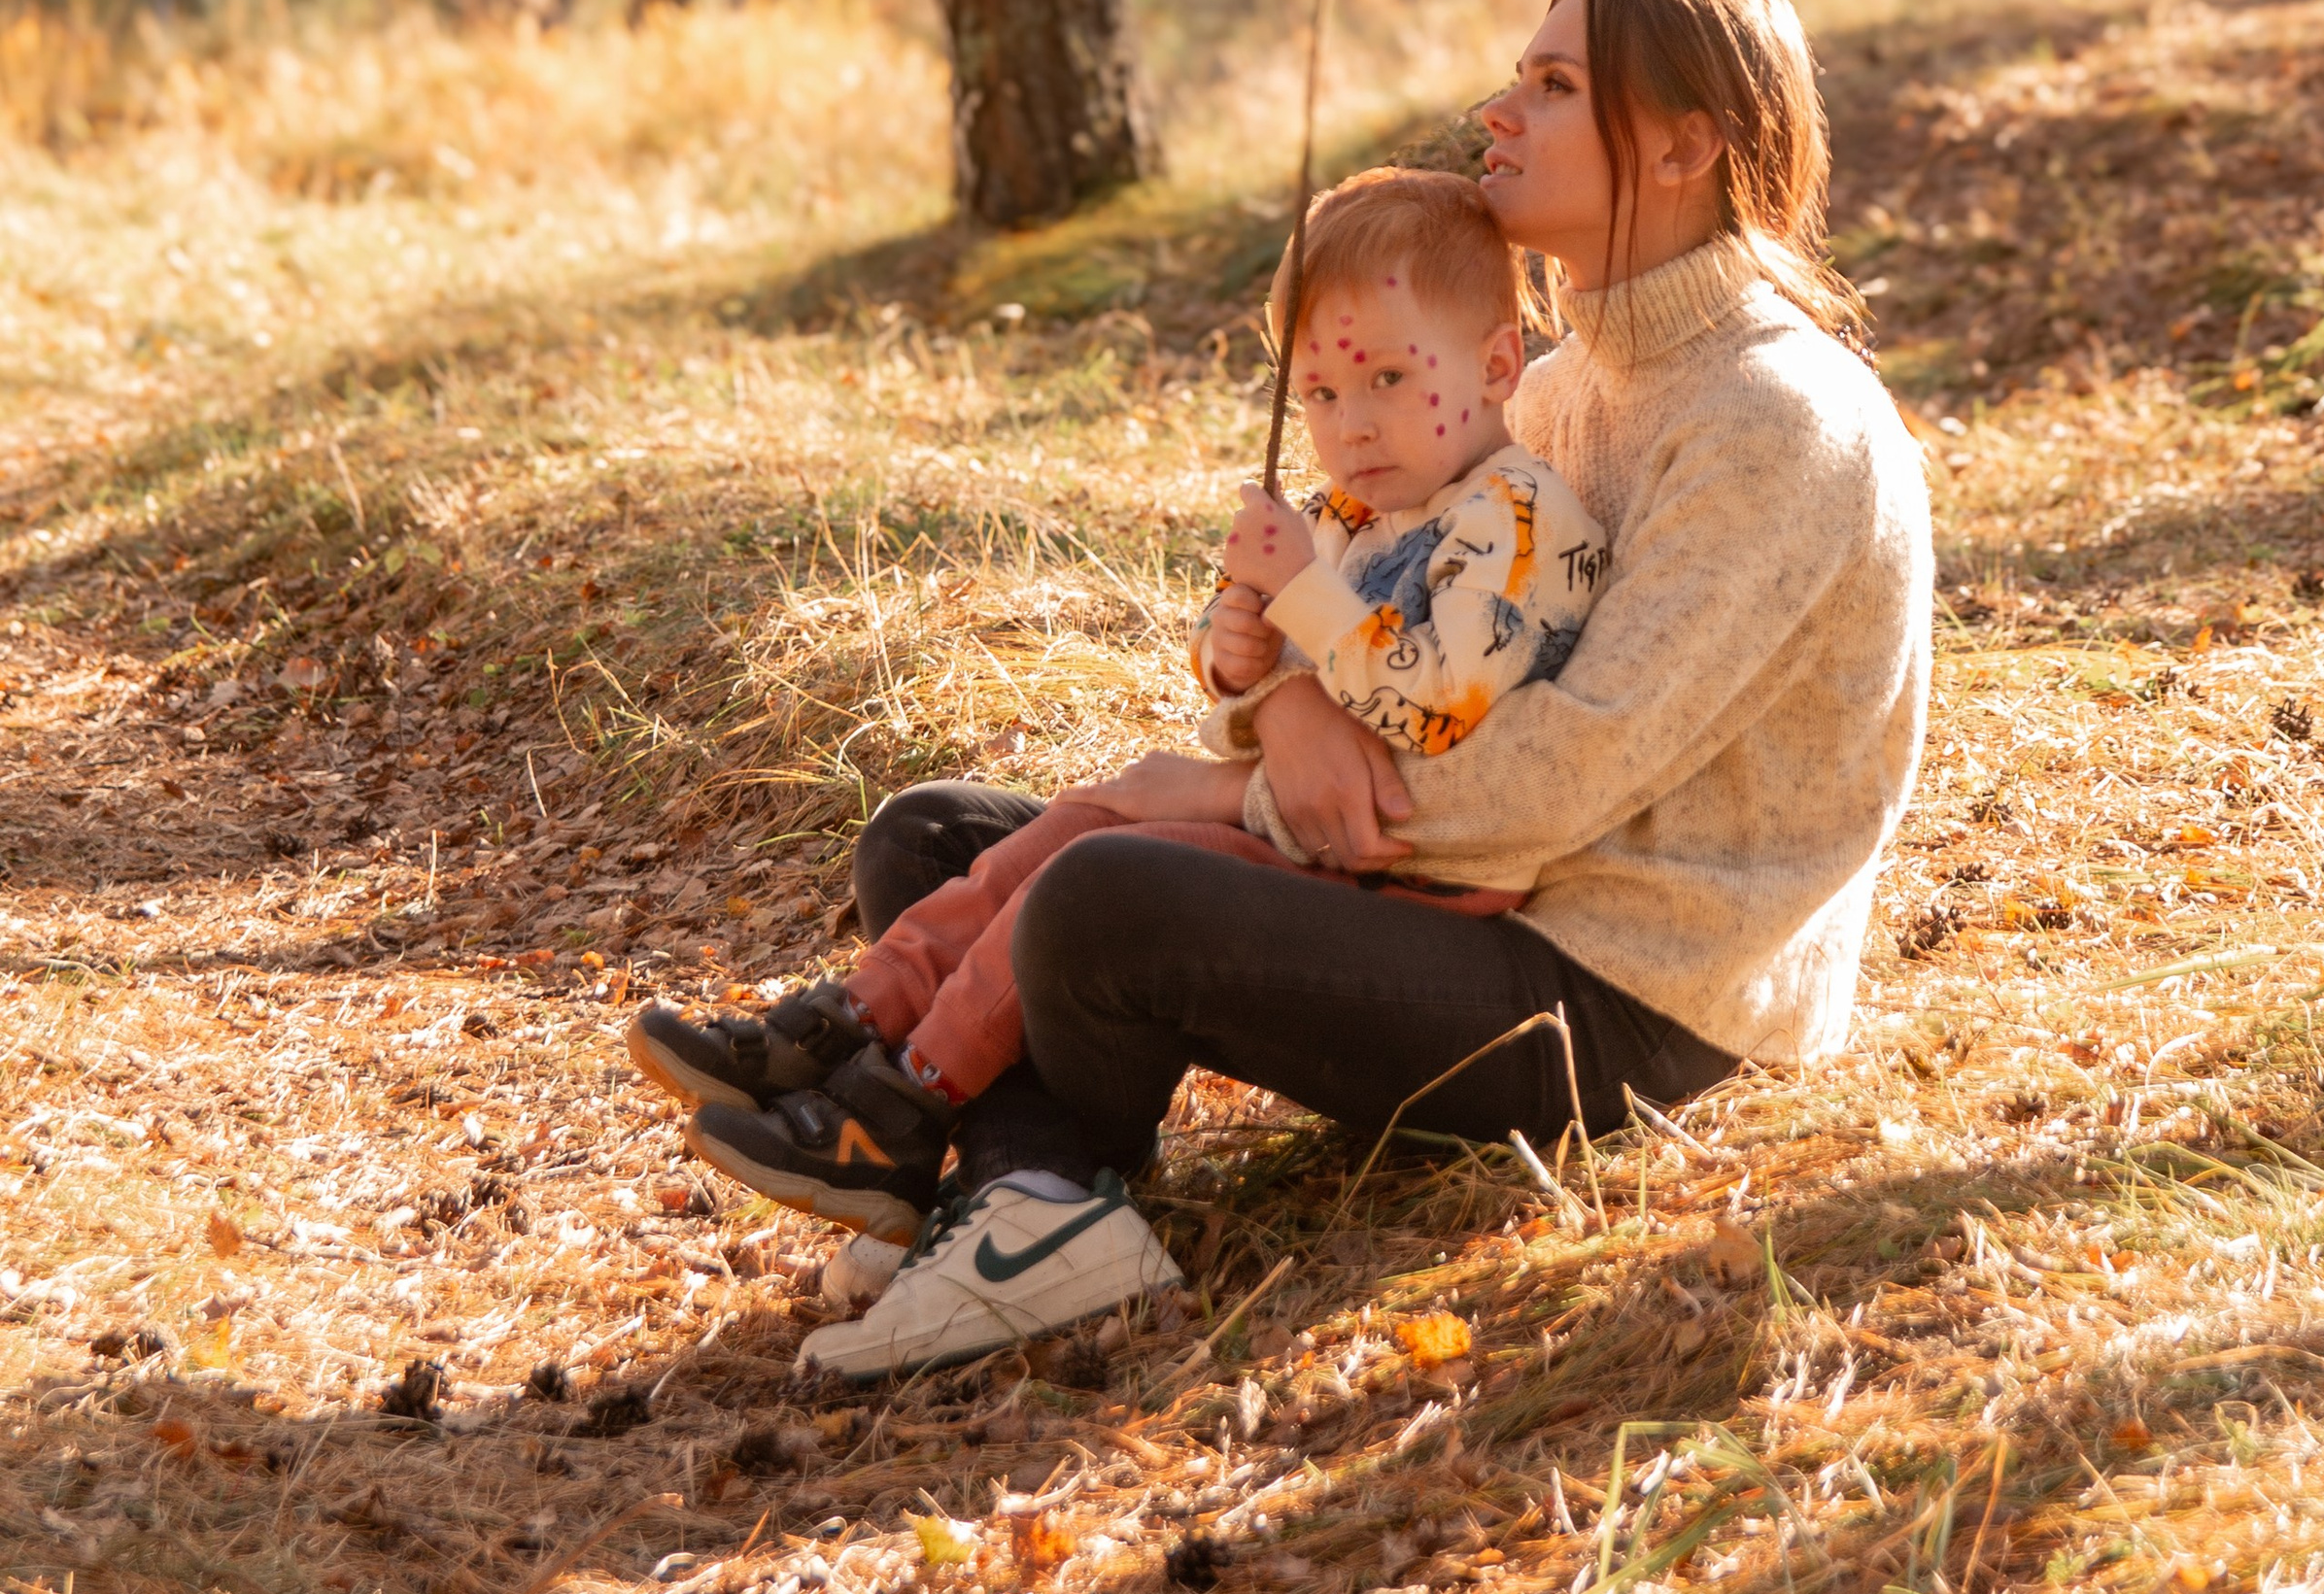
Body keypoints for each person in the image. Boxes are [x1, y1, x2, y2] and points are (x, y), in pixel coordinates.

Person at [727, 0, 1933, 1386]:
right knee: (934, 842)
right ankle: (1035, 1192)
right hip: (1453, 891)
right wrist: (1277, 698)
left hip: (1621, 994)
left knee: (1106, 893)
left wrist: (1255, 793)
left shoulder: (1777, 420)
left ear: (1684, 145)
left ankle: (1020, 1191)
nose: (1500, 113)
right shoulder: (1553, 390)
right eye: (1518, 76)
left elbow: (1564, 778)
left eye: (1554, 86)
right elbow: (1391, 651)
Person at [623, 170, 1607, 1252]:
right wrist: (1238, 659)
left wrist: (1302, 607)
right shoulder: (1350, 516)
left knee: (1084, 874)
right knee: (1083, 816)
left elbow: (1435, 704)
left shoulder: (1516, 519)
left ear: (1497, 363)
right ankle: (854, 1013)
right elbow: (1254, 670)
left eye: (1383, 378)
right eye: (1320, 394)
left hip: (1413, 881)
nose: (1351, 423)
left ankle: (900, 1107)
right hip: (1305, 832)